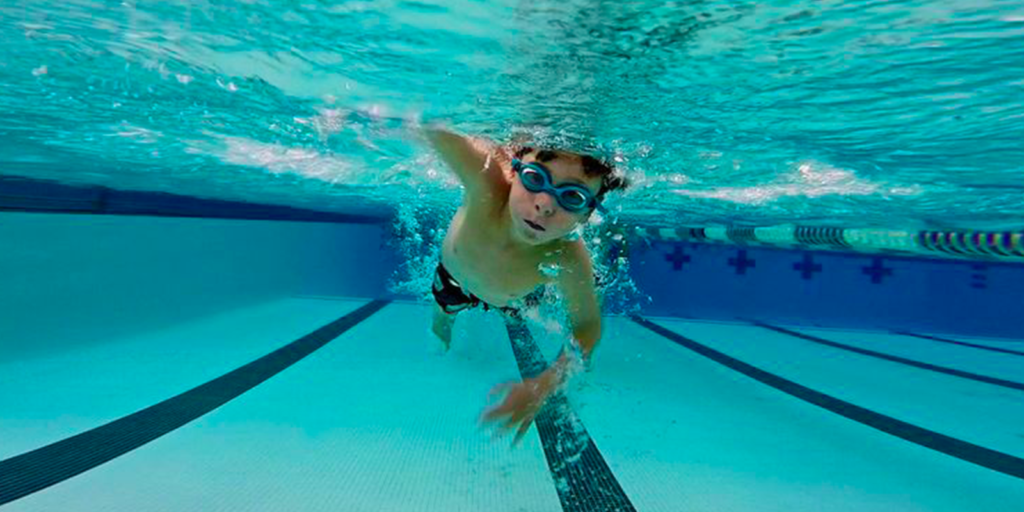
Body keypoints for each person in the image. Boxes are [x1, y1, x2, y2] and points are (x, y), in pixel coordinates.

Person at [424, 126, 627, 443]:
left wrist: (546, 383)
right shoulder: (488, 185)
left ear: (587, 215)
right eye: (535, 178)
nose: (545, 203)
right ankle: (442, 339)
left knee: (531, 305)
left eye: (572, 197)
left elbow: (587, 325)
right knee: (443, 317)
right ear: (515, 170)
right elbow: (431, 127)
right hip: (454, 280)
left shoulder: (569, 257)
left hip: (513, 298)